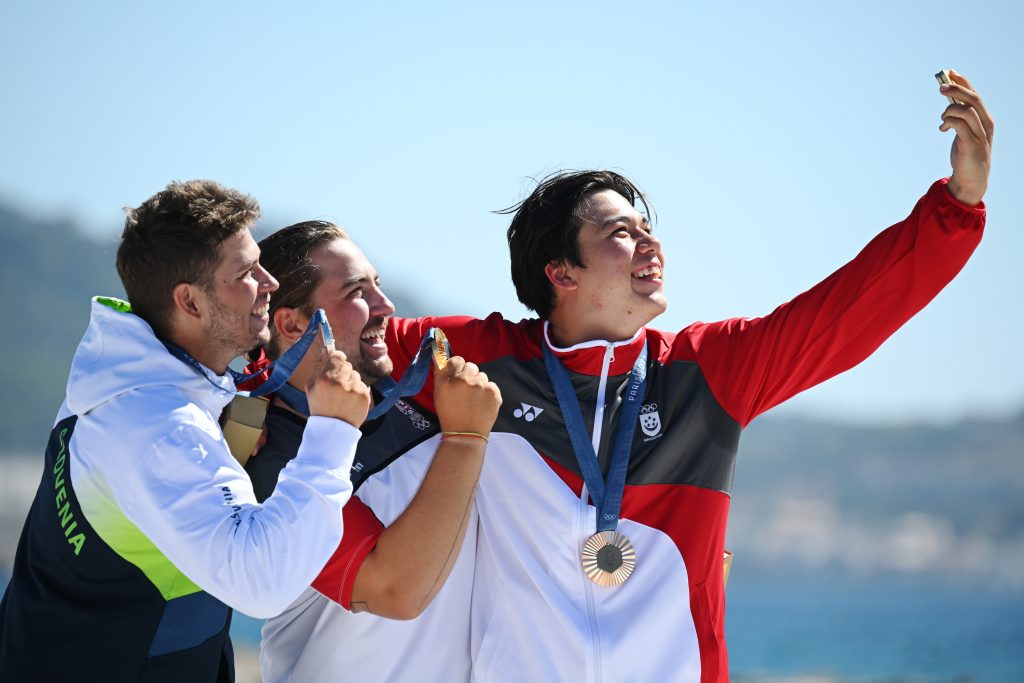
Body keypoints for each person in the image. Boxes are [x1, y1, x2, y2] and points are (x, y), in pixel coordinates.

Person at [382, 72, 994, 681]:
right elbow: (342, 337)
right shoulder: (479, 360)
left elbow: (850, 310)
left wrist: (957, 205)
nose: (651, 243)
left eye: (649, 228)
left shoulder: (708, 370)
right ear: (561, 272)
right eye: (621, 233)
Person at [0, 180, 372, 682]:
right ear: (190, 303)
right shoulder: (161, 428)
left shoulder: (122, 381)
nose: (270, 283)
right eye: (246, 272)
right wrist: (333, 430)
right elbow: (262, 583)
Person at [243, 221, 501, 683]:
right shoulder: (267, 459)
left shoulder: (415, 384)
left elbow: (528, 342)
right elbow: (393, 591)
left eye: (377, 284)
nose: (386, 306)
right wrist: (464, 440)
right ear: (291, 323)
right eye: (356, 292)